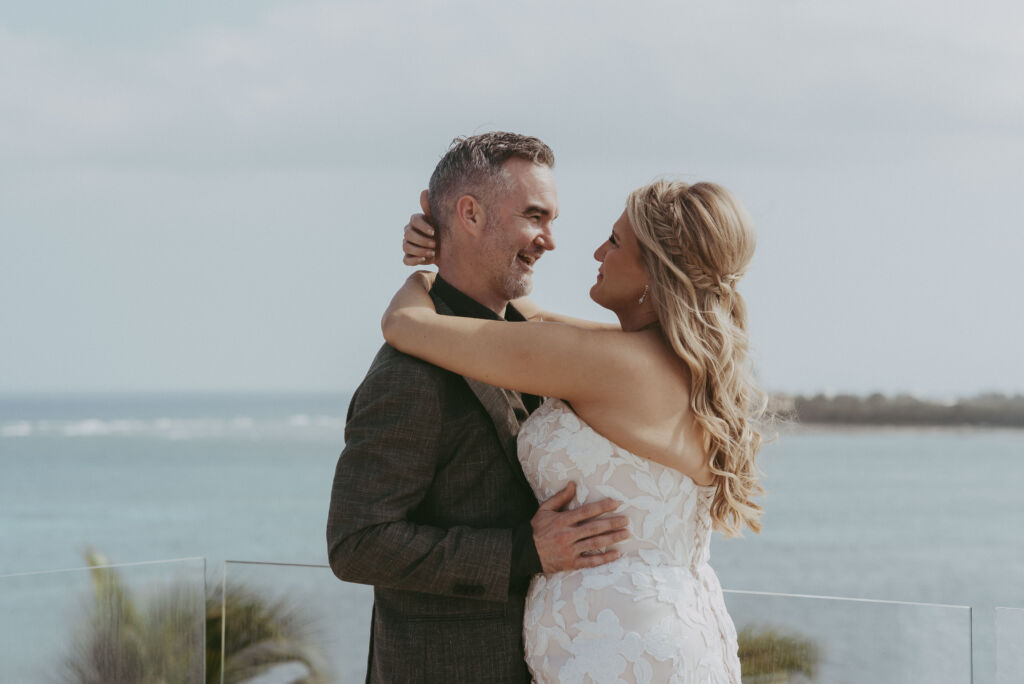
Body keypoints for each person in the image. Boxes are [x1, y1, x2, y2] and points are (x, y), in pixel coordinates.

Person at [388, 179, 765, 683]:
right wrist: (452, 249)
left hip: (621, 652)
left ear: (655, 268)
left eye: (614, 242)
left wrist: (423, 278)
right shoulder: (687, 363)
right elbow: (531, 318)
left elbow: (407, 326)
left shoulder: (607, 363)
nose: (597, 252)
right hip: (668, 632)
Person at [326, 132, 630, 683]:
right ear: (469, 213)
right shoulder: (409, 373)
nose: (550, 241)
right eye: (535, 216)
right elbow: (355, 543)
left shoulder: (537, 344)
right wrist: (523, 553)